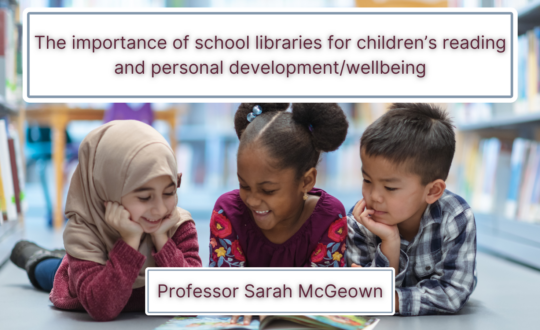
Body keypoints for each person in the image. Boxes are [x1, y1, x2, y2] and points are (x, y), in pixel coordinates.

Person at [10, 120, 202, 321]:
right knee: (51, 271)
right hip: (80, 285)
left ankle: (63, 257)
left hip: (104, 263)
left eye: (169, 192)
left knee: (65, 261)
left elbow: (193, 301)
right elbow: (103, 308)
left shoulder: (177, 224)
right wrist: (130, 242)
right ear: (109, 189)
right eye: (144, 197)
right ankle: (35, 256)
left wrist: (162, 239)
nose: (161, 209)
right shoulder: (84, 231)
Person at [208, 103, 349, 325]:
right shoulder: (227, 211)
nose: (253, 200)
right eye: (244, 185)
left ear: (306, 181)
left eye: (268, 190)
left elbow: (324, 291)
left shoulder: (330, 217)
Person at [347, 103, 477, 316]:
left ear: (433, 190)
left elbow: (453, 293)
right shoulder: (359, 220)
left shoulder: (456, 217)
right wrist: (390, 243)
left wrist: (390, 299)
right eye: (367, 180)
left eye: (390, 187)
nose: (374, 196)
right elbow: (361, 296)